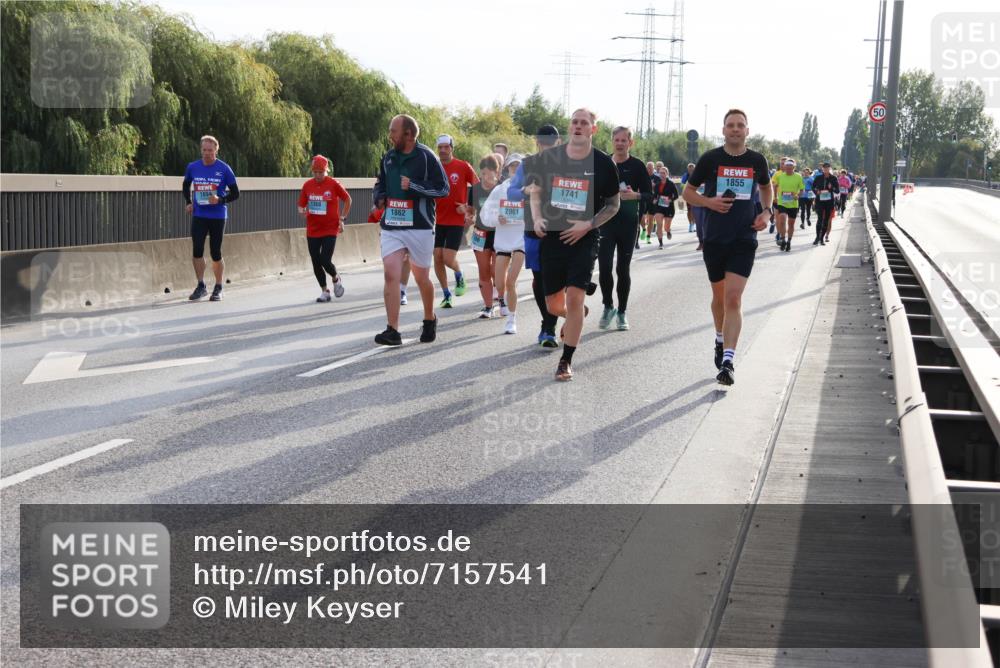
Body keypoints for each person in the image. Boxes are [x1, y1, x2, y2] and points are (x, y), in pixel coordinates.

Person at [526, 108, 620, 381]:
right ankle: (575, 314)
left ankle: (566, 360)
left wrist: (588, 225)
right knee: (555, 307)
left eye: (584, 123)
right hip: (553, 238)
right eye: (575, 122)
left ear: (594, 129)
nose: (578, 126)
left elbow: (613, 205)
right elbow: (536, 193)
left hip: (584, 238)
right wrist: (538, 218)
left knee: (575, 296)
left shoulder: (603, 163)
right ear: (570, 127)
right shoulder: (549, 158)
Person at [682, 109, 772, 386]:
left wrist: (767, 211)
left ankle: (729, 362)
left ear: (747, 130)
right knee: (719, 298)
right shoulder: (711, 158)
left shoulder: (757, 160)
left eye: (740, 125)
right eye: (730, 125)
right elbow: (687, 192)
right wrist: (710, 203)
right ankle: (719, 339)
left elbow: (767, 187)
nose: (735, 129)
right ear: (724, 130)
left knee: (734, 299)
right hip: (715, 237)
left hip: (744, 237)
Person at [372, 114, 448, 346]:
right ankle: (392, 330)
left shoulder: (426, 157)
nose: (390, 135)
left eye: (393, 131)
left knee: (421, 276)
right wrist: (380, 197)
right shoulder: (389, 157)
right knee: (390, 274)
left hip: (420, 226)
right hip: (393, 225)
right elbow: (380, 183)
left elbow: (443, 189)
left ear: (408, 134)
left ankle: (429, 319)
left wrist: (414, 186)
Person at [506, 125, 562, 348]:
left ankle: (550, 324)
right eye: (543, 142)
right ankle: (548, 324)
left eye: (551, 143)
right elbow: (511, 191)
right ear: (537, 143)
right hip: (533, 228)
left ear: (558, 143)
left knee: (557, 279)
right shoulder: (527, 165)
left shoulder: (568, 163)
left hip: (560, 227)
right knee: (539, 278)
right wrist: (525, 191)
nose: (547, 146)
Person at [599, 126, 652, 331]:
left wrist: (636, 196)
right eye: (617, 140)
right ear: (612, 141)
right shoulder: (604, 163)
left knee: (622, 269)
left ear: (631, 143)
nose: (620, 143)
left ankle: (622, 312)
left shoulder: (637, 166)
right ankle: (607, 306)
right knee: (604, 267)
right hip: (605, 222)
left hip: (628, 224)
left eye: (624, 140)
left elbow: (649, 195)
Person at [182, 135, 239, 301]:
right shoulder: (193, 167)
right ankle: (201, 285)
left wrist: (220, 199)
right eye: (204, 150)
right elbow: (186, 184)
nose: (207, 153)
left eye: (210, 150)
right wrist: (188, 202)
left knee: (215, 252)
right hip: (199, 214)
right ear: (201, 150)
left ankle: (219, 286)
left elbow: (236, 193)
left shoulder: (224, 168)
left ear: (216, 150)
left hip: (217, 216)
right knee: (197, 250)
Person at [481, 153, 526, 334]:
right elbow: (485, 214)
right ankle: (505, 298)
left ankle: (511, 320)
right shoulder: (500, 190)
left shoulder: (529, 188)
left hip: (521, 241)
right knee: (500, 284)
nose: (515, 169)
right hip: (503, 242)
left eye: (519, 166)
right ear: (507, 169)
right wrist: (496, 218)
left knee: (511, 281)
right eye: (512, 166)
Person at [297, 154, 350, 302]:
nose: (318, 175)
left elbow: (347, 199)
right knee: (315, 261)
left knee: (325, 260)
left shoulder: (333, 184)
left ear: (326, 171)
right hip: (313, 230)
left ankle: (335, 277)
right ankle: (324, 291)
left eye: (321, 172)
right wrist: (301, 210)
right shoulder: (307, 185)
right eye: (315, 172)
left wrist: (342, 218)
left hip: (330, 228)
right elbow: (301, 205)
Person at [434, 134, 477, 308]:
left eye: (446, 147)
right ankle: (446, 295)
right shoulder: (433, 167)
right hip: (436, 219)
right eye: (440, 147)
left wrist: (468, 209)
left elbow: (478, 187)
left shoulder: (462, 166)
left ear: (452, 148)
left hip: (455, 220)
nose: (443, 150)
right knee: (437, 257)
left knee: (447, 258)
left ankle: (459, 275)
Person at [467, 155, 501, 318]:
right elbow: (471, 211)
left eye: (488, 173)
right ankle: (488, 307)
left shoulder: (503, 188)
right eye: (482, 173)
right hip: (481, 233)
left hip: (500, 233)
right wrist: (467, 216)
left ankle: (503, 300)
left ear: (496, 172)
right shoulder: (474, 189)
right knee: (484, 271)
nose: (484, 177)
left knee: (497, 269)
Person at [772, 158, 804, 252]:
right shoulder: (780, 176)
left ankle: (789, 241)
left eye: (791, 167)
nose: (789, 169)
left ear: (794, 167)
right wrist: (775, 197)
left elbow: (802, 189)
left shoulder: (798, 176)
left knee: (791, 224)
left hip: (793, 204)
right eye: (787, 167)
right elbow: (775, 185)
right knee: (782, 219)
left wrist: (798, 195)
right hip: (782, 202)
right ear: (784, 167)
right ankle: (783, 239)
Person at [811, 162, 839, 246]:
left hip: (829, 202)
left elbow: (837, 190)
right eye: (824, 168)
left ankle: (822, 238)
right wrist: (817, 192)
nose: (826, 169)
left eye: (827, 168)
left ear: (830, 168)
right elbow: (813, 187)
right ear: (822, 169)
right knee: (819, 219)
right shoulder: (818, 177)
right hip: (820, 201)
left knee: (826, 220)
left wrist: (832, 188)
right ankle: (817, 238)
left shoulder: (833, 178)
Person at [651, 165, 679, 247]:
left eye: (663, 173)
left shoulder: (671, 184)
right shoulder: (657, 184)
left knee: (666, 227)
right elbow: (654, 195)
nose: (661, 174)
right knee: (659, 225)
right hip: (659, 206)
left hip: (668, 207)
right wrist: (654, 200)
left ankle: (668, 231)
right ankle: (660, 243)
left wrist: (670, 200)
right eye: (660, 173)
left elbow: (676, 195)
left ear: (667, 174)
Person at [680, 162, 696, 232]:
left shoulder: (697, 175)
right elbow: (682, 185)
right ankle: (690, 224)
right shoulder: (685, 175)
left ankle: (694, 224)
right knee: (689, 210)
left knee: (695, 210)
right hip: (688, 195)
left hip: (696, 195)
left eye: (692, 170)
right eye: (689, 170)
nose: (691, 171)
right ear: (688, 169)